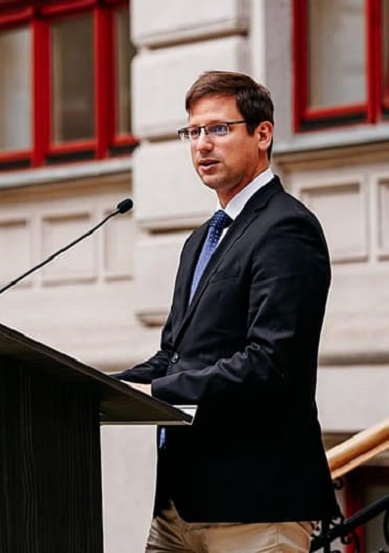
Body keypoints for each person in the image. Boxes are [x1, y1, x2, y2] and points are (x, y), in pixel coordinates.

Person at [115, 71, 339, 552]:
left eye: (219, 128)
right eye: (194, 131)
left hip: (253, 506)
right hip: (176, 507)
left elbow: (271, 363)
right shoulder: (202, 239)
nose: (202, 145)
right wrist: (96, 388)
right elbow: (173, 356)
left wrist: (153, 392)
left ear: (263, 134)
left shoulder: (287, 228)